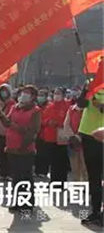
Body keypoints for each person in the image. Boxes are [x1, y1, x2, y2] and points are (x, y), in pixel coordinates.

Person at [0, 85, 41, 212]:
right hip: (12, 148)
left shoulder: (35, 111)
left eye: (27, 93)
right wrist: (0, 114)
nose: (24, 95)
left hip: (25, 149)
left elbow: (32, 131)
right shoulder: (14, 107)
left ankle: (27, 203)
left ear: (33, 97)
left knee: (25, 176)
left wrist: (22, 146)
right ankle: (17, 201)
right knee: (15, 177)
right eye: (23, 92)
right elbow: (7, 123)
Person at [76, 88, 104, 227]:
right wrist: (86, 91)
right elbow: (80, 104)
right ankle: (95, 212)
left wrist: (100, 105)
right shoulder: (93, 87)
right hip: (88, 135)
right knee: (94, 177)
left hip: (102, 136)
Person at [42, 87, 71, 184]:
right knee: (53, 162)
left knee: (62, 161)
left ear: (63, 95)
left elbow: (70, 120)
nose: (56, 95)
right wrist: (48, 122)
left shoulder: (68, 106)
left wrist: (61, 124)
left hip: (62, 138)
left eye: (58, 93)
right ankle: (54, 181)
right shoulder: (49, 107)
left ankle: (62, 181)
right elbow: (42, 120)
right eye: (55, 93)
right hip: (50, 137)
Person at [63, 99, 87, 182]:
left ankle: (87, 184)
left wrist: (80, 136)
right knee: (74, 165)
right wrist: (73, 136)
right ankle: (77, 183)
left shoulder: (89, 111)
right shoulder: (71, 109)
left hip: (86, 140)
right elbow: (66, 124)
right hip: (73, 141)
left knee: (85, 165)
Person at [34, 88, 50, 178]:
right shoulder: (35, 106)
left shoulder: (49, 106)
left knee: (44, 154)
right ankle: (37, 170)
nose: (40, 97)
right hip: (37, 133)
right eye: (39, 95)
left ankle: (43, 171)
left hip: (46, 134)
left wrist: (42, 122)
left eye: (42, 95)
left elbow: (47, 118)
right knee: (37, 153)